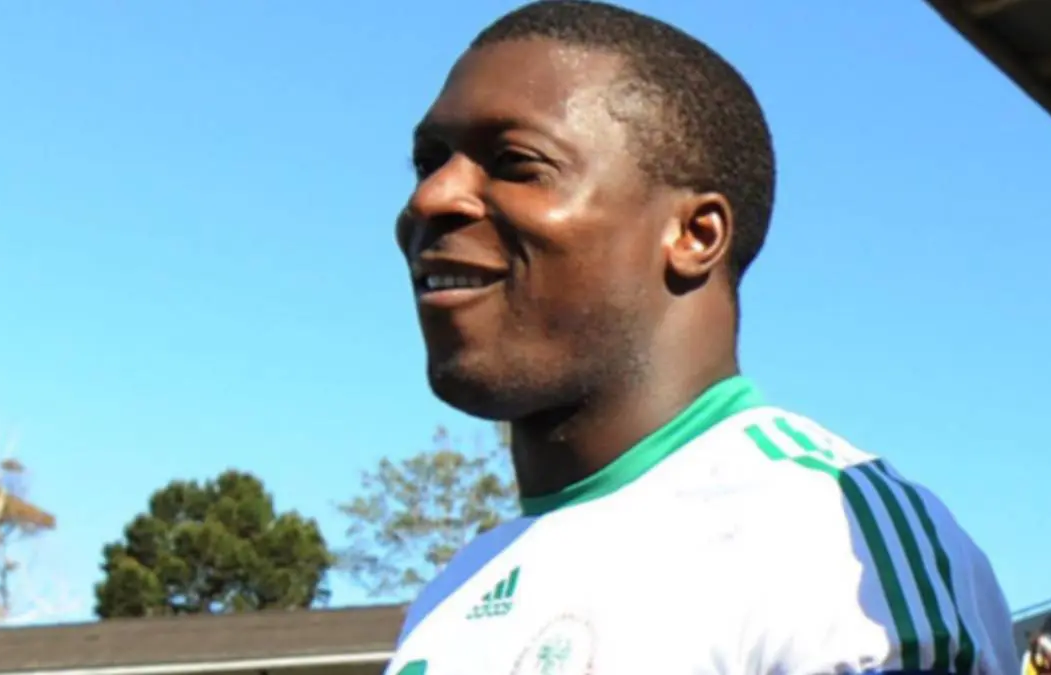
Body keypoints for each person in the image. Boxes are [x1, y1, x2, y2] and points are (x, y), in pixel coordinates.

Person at [388, 1, 1017, 673]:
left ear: (694, 235)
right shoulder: (449, 601)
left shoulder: (826, 536)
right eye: (428, 163)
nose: (430, 198)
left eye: (516, 163)